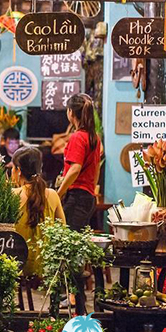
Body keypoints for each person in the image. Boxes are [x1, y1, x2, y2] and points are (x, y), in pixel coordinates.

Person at [12, 147, 66, 277]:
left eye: (13, 168)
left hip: (17, 265)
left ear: (18, 171)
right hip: (47, 266)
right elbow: (63, 230)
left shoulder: (11, 195)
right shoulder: (52, 195)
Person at [56, 93, 102, 230]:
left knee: (69, 240)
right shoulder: (94, 137)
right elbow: (97, 168)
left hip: (76, 197)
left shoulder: (77, 137)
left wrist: (59, 193)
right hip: (88, 197)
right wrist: (91, 190)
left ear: (71, 112)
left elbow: (75, 169)